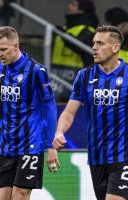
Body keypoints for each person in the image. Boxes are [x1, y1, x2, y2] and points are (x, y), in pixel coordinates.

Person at [52, 25, 128, 200]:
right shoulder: (84, 76)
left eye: (100, 43)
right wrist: (59, 131)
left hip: (124, 154)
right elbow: (69, 112)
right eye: (94, 43)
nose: (94, 47)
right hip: (96, 156)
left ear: (115, 47)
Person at [0, 26, 59, 200]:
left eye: (3, 49)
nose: (0, 54)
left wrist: (51, 146)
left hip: (30, 144)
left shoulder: (36, 71)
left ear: (16, 46)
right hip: (5, 145)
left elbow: (50, 107)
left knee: (20, 195)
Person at [51, 0, 99, 102]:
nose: (69, 6)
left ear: (82, 10)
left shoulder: (87, 29)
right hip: (57, 77)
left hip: (75, 76)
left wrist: (64, 36)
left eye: (73, 5)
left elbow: (83, 46)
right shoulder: (65, 28)